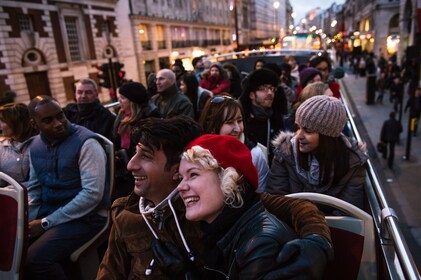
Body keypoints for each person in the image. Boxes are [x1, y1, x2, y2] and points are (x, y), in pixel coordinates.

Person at [97, 115, 333, 280]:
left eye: (145, 156)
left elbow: (299, 207)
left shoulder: (212, 208)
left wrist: (317, 241)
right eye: (184, 177)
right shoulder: (125, 213)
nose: (130, 165)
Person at [176, 134, 297, 279]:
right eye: (181, 178)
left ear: (229, 179)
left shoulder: (261, 244)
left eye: (193, 174)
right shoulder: (219, 230)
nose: (180, 187)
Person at [25, 95, 109, 279]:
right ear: (34, 124)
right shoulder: (35, 146)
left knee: (34, 260)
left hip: (88, 217)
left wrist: (46, 222)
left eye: (60, 115)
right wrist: (26, 224)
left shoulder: (87, 143)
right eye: (48, 120)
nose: (58, 123)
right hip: (52, 215)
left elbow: (92, 195)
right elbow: (34, 188)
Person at [267, 95, 368, 212]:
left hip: (334, 228)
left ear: (327, 137)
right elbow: (276, 201)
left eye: (308, 131)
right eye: (298, 127)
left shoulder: (353, 164)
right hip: (292, 225)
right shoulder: (285, 153)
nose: (298, 135)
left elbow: (349, 212)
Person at [199, 95, 269, 192]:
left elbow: (261, 196)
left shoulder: (255, 154)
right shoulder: (197, 154)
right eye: (230, 122)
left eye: (239, 121)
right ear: (212, 125)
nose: (238, 128)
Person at [113, 81, 161, 198]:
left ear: (132, 101)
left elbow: (147, 147)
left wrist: (125, 154)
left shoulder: (149, 117)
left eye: (123, 98)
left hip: (138, 166)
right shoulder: (122, 115)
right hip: (123, 165)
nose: (119, 101)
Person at [239, 68, 285, 163]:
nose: (270, 93)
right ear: (252, 95)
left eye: (272, 89)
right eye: (263, 89)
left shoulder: (276, 119)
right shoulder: (241, 119)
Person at [0, 103, 37, 187]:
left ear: (17, 122)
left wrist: (14, 188)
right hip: (11, 198)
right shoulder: (2, 147)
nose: (0, 125)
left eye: (3, 121)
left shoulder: (40, 144)